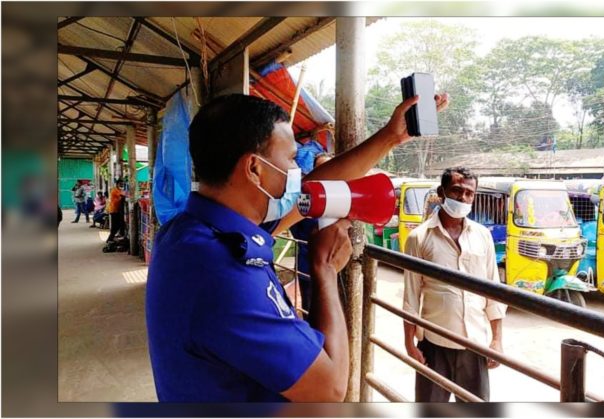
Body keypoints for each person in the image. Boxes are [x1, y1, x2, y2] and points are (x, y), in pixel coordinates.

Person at [146, 92, 449, 402]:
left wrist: (390, 137)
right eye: (291, 159)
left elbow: (311, 188)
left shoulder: (189, 232)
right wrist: (326, 270)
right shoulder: (225, 272)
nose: (297, 173)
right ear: (254, 168)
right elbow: (329, 390)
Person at [402, 166, 506, 402]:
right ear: (442, 192)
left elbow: (494, 289)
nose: (463, 198)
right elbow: (411, 293)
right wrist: (409, 341)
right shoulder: (419, 237)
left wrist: (497, 340)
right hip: (434, 343)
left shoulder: (482, 236)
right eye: (457, 190)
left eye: (469, 193)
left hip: (475, 343)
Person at [289, 152, 333, 317]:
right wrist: (307, 241)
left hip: (335, 266)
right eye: (321, 168)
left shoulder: (339, 196)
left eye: (329, 167)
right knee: (310, 310)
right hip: (307, 265)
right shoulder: (305, 198)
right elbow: (294, 226)